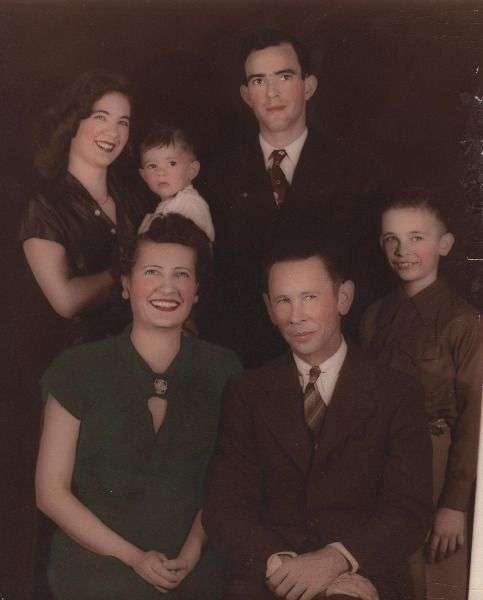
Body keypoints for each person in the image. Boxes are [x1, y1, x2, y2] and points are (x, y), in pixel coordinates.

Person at [203, 234, 433, 600]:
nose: (296, 316)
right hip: (271, 575)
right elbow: (224, 508)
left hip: (362, 572)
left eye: (310, 297)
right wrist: (281, 564)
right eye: (283, 301)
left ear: (344, 298)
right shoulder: (246, 391)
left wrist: (337, 560)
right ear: (268, 308)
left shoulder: (397, 392)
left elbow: (409, 511)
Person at [35, 214, 242, 599]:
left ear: (197, 290)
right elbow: (50, 493)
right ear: (127, 285)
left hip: (195, 566)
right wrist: (134, 558)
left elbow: (228, 483)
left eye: (182, 275)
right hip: (98, 567)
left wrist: (191, 555)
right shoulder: (77, 368)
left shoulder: (223, 369)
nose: (168, 287)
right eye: (152, 272)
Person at [201, 29, 380, 367]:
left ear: (308, 86)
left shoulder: (355, 171)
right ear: (246, 95)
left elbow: (369, 279)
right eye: (258, 81)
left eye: (284, 76)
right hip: (242, 358)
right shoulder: (215, 177)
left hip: (332, 359)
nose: (272, 92)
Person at [359, 188, 483, 600]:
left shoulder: (463, 322)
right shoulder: (375, 316)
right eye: (391, 239)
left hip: (436, 467)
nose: (402, 250)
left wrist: (454, 505)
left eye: (416, 237)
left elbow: (474, 419)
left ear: (444, 244)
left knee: (434, 583)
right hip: (381, 466)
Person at [19, 70, 153, 344]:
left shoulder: (135, 197)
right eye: (100, 117)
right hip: (85, 356)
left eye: (123, 122)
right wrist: (131, 261)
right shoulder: (44, 206)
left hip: (146, 346)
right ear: (72, 123)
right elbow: (67, 302)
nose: (113, 132)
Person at [138, 123, 215, 242]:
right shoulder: (166, 206)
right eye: (152, 166)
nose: (161, 172)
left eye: (172, 163)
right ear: (144, 176)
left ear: (192, 171)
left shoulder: (189, 205)